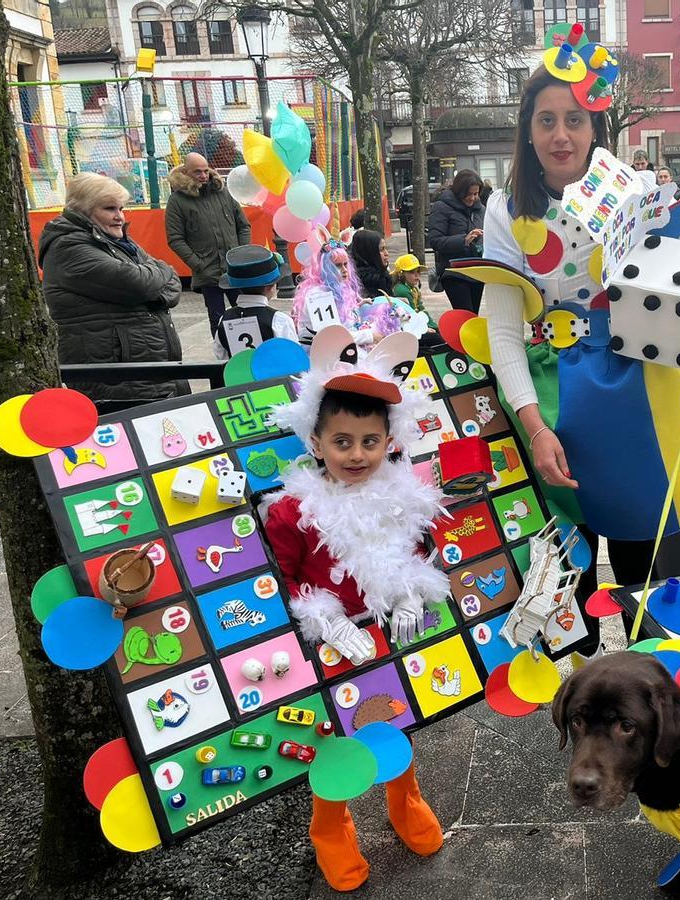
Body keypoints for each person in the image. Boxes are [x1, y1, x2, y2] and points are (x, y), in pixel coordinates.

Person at [479, 64, 680, 656]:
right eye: (545, 121)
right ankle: (582, 711)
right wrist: (534, 425)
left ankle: (646, 699)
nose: (560, 136)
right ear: (527, 130)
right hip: (552, 401)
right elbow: (502, 330)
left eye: (574, 120)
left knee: (642, 576)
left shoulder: (629, 187)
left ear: (594, 126)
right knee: (561, 575)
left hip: (636, 397)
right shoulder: (505, 209)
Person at [265, 351, 447, 892]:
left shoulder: (404, 494)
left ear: (388, 441)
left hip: (387, 628)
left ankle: (404, 799)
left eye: (369, 441)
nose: (357, 454)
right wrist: (321, 615)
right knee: (333, 735)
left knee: (396, 714)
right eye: (342, 442)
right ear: (316, 443)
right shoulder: (291, 511)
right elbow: (281, 577)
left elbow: (418, 551)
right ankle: (331, 827)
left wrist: (413, 592)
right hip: (329, 643)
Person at [40, 172, 187, 409]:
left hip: (146, 375)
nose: (119, 217)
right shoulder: (68, 247)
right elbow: (139, 283)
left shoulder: (113, 241)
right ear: (84, 210)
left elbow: (172, 286)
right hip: (120, 380)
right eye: (110, 209)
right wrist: (156, 274)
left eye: (121, 208)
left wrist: (154, 280)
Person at [165, 152, 251, 335]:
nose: (204, 176)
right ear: (186, 172)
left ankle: (248, 356)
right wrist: (199, 264)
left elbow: (243, 226)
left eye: (206, 170)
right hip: (207, 272)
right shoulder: (177, 201)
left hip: (235, 269)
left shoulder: (224, 192)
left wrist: (241, 255)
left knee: (247, 316)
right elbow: (175, 239)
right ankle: (222, 358)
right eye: (197, 172)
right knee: (217, 319)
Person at [294, 230, 385, 348]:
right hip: (325, 360)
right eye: (337, 265)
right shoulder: (318, 296)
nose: (344, 269)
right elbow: (332, 336)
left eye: (345, 264)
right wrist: (369, 335)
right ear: (326, 268)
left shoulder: (337, 289)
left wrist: (356, 307)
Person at [212, 245, 297, 359]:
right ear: (270, 287)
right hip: (274, 376)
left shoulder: (224, 318)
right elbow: (293, 359)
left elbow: (220, 355)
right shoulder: (280, 320)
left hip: (237, 376)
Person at [428, 169, 485, 313]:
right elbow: (435, 241)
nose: (472, 198)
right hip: (454, 272)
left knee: (473, 315)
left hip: (477, 271)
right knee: (465, 315)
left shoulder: (480, 210)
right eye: (469, 194)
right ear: (459, 191)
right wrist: (464, 240)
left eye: (476, 194)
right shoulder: (442, 207)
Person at [390, 253, 437, 330]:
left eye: (418, 271)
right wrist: (426, 328)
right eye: (412, 272)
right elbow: (412, 314)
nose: (416, 275)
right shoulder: (402, 290)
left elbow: (421, 309)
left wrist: (434, 326)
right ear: (401, 274)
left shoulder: (412, 288)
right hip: (406, 327)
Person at [348, 229, 394, 296]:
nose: (386, 253)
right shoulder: (359, 285)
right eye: (381, 250)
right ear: (368, 253)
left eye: (385, 248)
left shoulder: (383, 275)